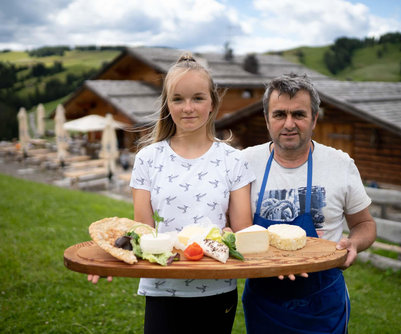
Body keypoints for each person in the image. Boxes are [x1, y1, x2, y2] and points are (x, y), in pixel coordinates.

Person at [89, 53, 254, 334]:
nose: (188, 107)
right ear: (167, 104)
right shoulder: (148, 159)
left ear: (212, 103)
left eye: (198, 98)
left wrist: (234, 237)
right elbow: (143, 232)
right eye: (178, 99)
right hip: (162, 286)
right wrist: (110, 257)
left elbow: (244, 234)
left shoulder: (233, 160)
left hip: (217, 287)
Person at [241, 73, 376, 334]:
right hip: (264, 302)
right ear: (267, 119)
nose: (289, 124)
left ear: (314, 118)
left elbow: (365, 224)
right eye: (279, 114)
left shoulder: (340, 164)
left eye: (299, 115)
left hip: (323, 304)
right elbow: (234, 226)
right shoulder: (245, 163)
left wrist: (354, 243)